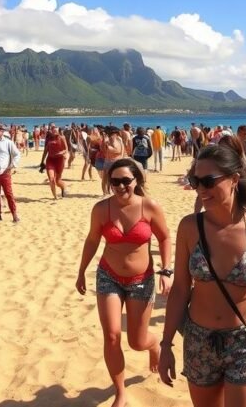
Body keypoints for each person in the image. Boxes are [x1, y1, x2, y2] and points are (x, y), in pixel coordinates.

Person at [157, 144, 246, 404]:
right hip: (198, 339)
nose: (200, 189)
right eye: (195, 181)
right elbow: (179, 290)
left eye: (208, 181)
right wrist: (165, 346)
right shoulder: (190, 227)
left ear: (234, 179)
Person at [76, 158, 173, 407]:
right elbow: (92, 240)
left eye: (126, 181)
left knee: (137, 341)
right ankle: (120, 392)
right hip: (109, 276)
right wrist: (81, 271)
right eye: (115, 181)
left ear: (136, 181)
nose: (120, 187)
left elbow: (164, 238)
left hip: (142, 280)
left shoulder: (149, 206)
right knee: (111, 336)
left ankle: (153, 346)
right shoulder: (101, 209)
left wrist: (165, 270)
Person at [0, 124, 21, 222]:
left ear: (3, 131)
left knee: (9, 194)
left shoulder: (8, 142)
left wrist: (11, 166)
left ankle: (14, 215)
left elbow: (17, 154)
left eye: (0, 129)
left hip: (5, 173)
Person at [41, 127, 68, 199]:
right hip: (50, 160)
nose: (54, 132)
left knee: (58, 180)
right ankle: (55, 196)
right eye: (53, 131)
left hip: (59, 160)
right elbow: (45, 151)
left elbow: (66, 149)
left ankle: (64, 187)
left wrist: (62, 152)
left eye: (56, 131)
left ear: (58, 131)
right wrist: (42, 162)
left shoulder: (62, 138)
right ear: (51, 132)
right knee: (51, 179)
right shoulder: (49, 139)